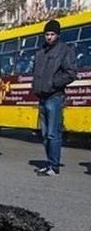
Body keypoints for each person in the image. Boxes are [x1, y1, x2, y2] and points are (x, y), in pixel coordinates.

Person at [32, 19, 77, 176]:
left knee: (53, 133)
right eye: (47, 34)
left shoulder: (65, 50)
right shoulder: (40, 53)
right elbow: (36, 73)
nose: (49, 37)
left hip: (55, 96)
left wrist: (53, 83)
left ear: (57, 35)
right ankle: (49, 162)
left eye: (52, 34)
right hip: (42, 96)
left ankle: (54, 166)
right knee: (44, 134)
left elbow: (71, 73)